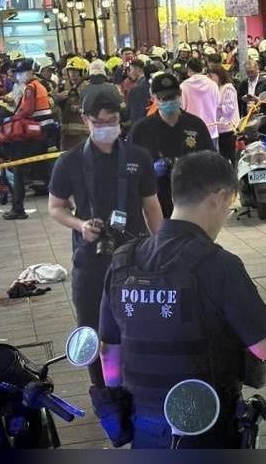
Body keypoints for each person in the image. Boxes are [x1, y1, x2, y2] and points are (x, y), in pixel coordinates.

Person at [95, 151, 266, 449]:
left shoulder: (123, 261)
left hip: (144, 427)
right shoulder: (218, 265)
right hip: (208, 428)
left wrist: (120, 404)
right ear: (219, 197)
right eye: (229, 205)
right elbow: (265, 346)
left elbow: (108, 353)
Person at [47, 87, 163, 387]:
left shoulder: (138, 157)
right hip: (90, 259)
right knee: (93, 332)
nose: (106, 128)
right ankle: (104, 391)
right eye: (98, 123)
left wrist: (163, 247)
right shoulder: (69, 161)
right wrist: (80, 225)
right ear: (85, 119)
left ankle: (139, 386)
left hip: (135, 255)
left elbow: (152, 206)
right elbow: (55, 208)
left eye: (112, 121)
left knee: (140, 326)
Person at [129, 73, 214, 218]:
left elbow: (211, 160)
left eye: (173, 97)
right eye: (164, 98)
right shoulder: (141, 130)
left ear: (180, 94)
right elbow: (130, 168)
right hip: (156, 203)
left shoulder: (195, 125)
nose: (169, 102)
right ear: (153, 98)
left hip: (191, 200)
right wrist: (149, 171)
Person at [0, 58, 56, 220]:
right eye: (17, 73)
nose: (19, 76)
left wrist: (11, 119)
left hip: (32, 134)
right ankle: (66, 201)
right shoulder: (39, 85)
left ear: (30, 72)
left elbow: (27, 110)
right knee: (43, 170)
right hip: (42, 132)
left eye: (21, 72)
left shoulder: (31, 87)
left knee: (19, 169)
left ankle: (18, 208)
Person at [180, 58, 220, 148]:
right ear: (202, 69)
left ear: (189, 69)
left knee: (192, 157)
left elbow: (181, 108)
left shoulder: (183, 87)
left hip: (191, 132)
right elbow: (217, 103)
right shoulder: (213, 85)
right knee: (211, 157)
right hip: (211, 130)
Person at [208, 64, 240, 164]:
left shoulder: (228, 88)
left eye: (212, 76)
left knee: (229, 157)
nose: (211, 79)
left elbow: (229, 109)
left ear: (219, 75)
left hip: (228, 128)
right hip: (218, 128)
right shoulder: (215, 88)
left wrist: (216, 106)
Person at [124, 59, 151, 128]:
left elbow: (132, 114)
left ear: (137, 69)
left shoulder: (136, 90)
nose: (130, 73)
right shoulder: (150, 83)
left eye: (131, 70)